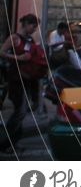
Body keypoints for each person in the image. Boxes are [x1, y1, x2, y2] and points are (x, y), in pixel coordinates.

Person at [0, 14, 46, 153]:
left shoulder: (30, 39)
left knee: (22, 110)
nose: (34, 29)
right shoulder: (14, 38)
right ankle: (5, 143)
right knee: (19, 111)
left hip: (27, 79)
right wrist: (17, 57)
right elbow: (1, 52)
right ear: (26, 24)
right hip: (15, 79)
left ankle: (13, 142)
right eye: (33, 25)